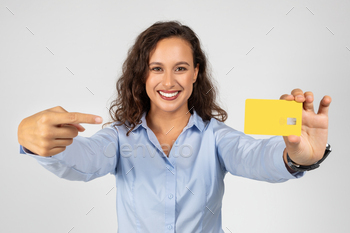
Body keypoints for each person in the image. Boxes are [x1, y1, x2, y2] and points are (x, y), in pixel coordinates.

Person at [17, 20, 332, 232]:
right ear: (143, 75)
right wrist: (34, 141)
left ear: (195, 73)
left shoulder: (216, 137)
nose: (169, 81)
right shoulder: (118, 138)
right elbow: (81, 160)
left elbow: (256, 155)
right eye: (157, 69)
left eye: (180, 68)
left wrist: (299, 156)